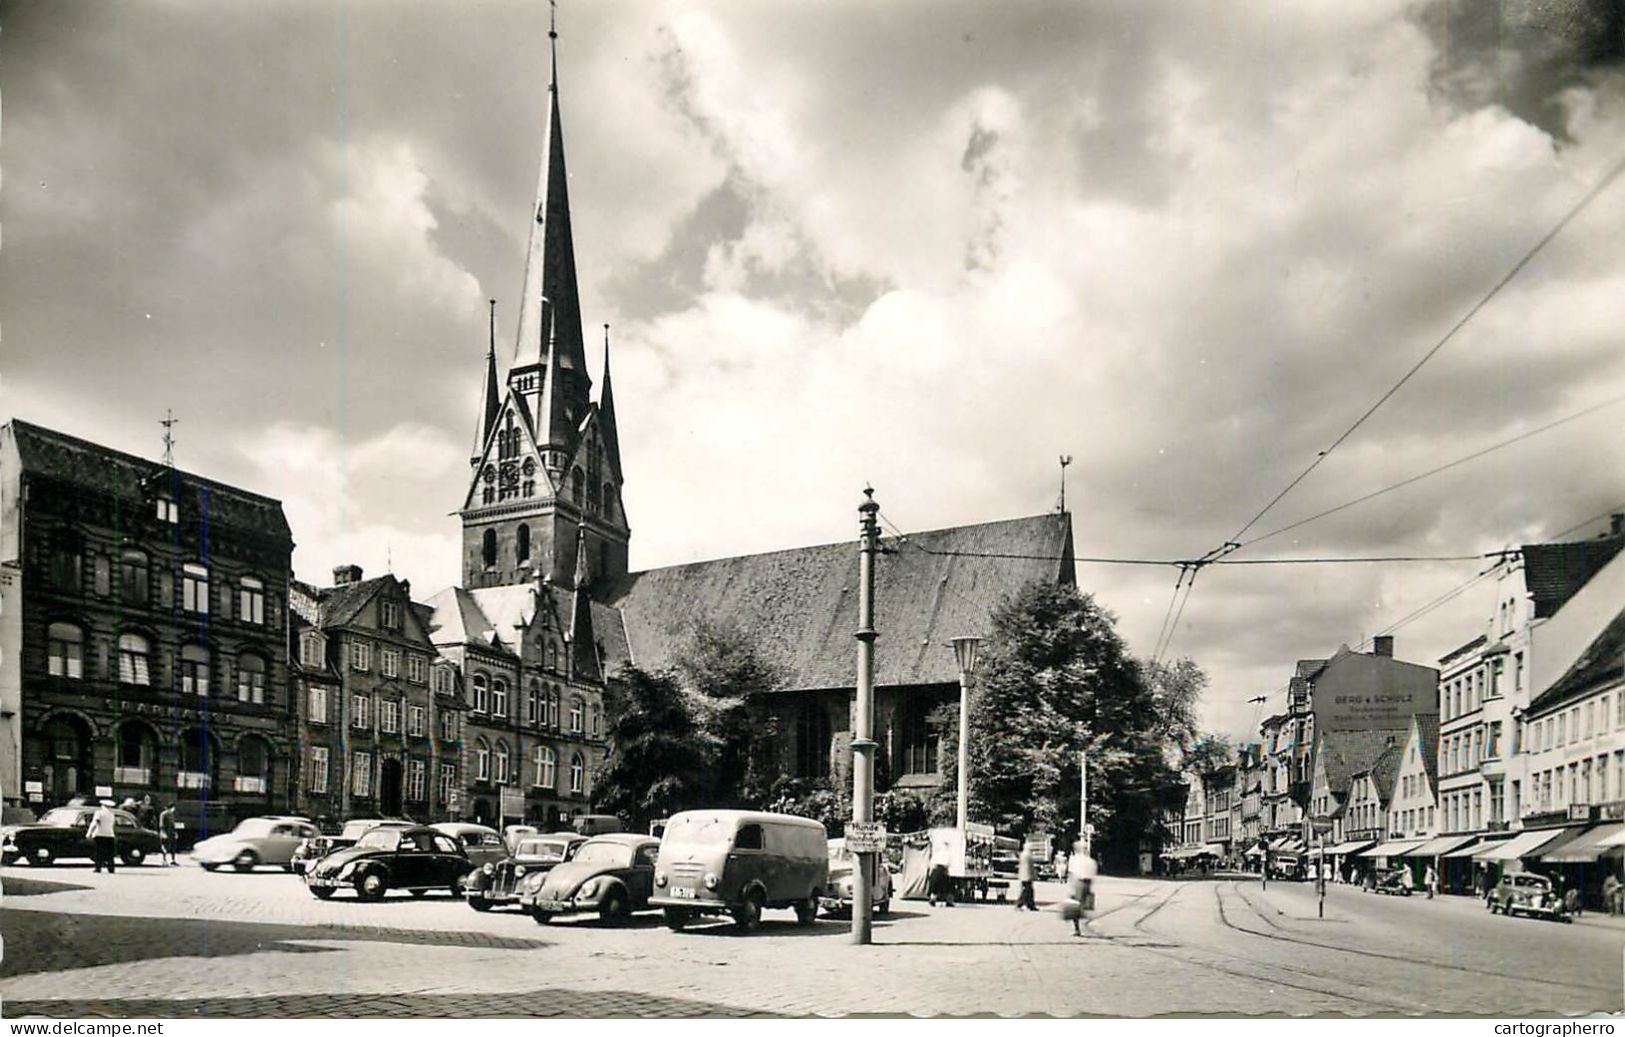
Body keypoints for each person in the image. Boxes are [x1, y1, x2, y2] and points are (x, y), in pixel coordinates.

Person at [1068, 843, 1098, 937]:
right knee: (1083, 904)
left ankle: (1077, 929)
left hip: (1079, 882)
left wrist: (1071, 886)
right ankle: (1083, 918)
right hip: (1088, 883)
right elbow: (1093, 873)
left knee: (1075, 905)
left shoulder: (1075, 860)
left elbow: (1072, 873)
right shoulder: (1091, 861)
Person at [87, 800, 118, 874]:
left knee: (98, 852)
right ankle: (111, 868)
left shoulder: (99, 813)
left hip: (99, 834)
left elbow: (95, 823)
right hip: (110, 835)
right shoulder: (111, 814)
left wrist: (89, 832)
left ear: (103, 806)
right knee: (110, 853)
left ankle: (98, 867)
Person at [1014, 844, 1038, 911]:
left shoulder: (1023, 854)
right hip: (1027, 876)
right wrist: (1033, 875)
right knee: (1026, 891)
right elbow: (1029, 867)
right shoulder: (1028, 855)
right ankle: (1020, 904)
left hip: (1024, 875)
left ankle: (1030, 905)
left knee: (1029, 891)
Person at [158, 802, 178, 866]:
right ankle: (164, 860)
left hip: (171, 833)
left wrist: (175, 832)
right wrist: (163, 833)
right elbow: (161, 824)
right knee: (165, 847)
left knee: (173, 847)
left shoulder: (171, 814)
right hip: (166, 832)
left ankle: (173, 860)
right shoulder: (163, 814)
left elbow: (173, 824)